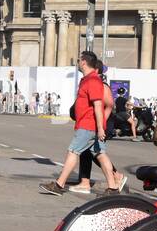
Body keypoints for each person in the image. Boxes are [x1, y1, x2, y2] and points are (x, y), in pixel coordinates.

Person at [41, 51, 125, 195]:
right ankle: (113, 187)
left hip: (88, 125)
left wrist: (100, 127)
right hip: (89, 125)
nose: (78, 62)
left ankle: (59, 185)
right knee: (100, 154)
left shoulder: (93, 81)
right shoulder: (87, 80)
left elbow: (99, 105)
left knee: (73, 151)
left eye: (79, 60)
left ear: (84, 62)